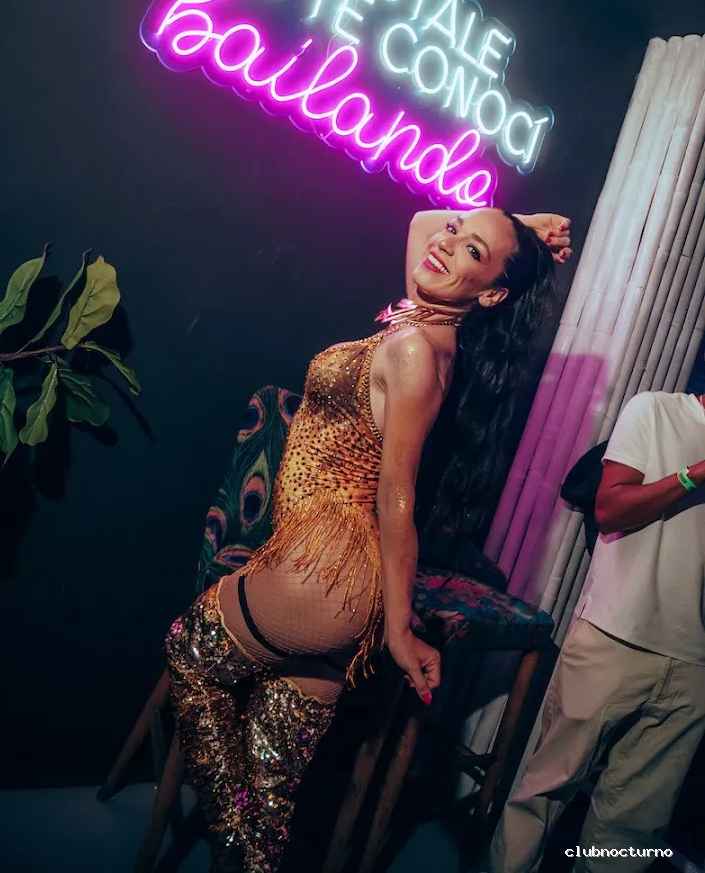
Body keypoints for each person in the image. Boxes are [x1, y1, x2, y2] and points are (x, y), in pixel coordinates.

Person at [166, 206, 571, 873]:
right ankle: (251, 854)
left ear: (492, 294)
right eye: (456, 232)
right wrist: (510, 227)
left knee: (188, 653)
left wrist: (400, 630)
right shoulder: (426, 322)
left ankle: (238, 846)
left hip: (323, 571)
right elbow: (422, 223)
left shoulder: (416, 350)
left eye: (472, 252)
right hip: (334, 579)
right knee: (269, 782)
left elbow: (397, 497)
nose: (445, 243)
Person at [490, 389, 705, 873]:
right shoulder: (655, 410)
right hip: (615, 635)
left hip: (695, 661)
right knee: (545, 790)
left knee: (634, 827)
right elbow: (610, 510)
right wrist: (694, 474)